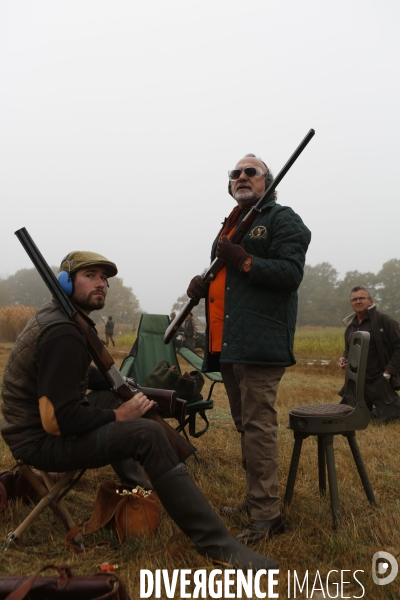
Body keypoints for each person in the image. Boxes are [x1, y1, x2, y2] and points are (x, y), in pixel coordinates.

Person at [0, 250, 277, 570]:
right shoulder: (63, 332)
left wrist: (113, 385)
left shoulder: (61, 319)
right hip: (40, 442)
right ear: (64, 282)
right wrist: (120, 415)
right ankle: (217, 544)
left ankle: (142, 488)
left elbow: (64, 378)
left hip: (36, 430)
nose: (101, 284)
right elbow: (58, 419)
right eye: (90, 276)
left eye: (104, 278)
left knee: (116, 398)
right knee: (146, 433)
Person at [187, 153, 311, 543]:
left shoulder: (281, 218)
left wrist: (244, 262)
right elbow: (226, 281)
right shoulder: (231, 224)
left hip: (259, 342)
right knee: (246, 425)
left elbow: (290, 274)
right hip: (228, 343)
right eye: (235, 173)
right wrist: (203, 286)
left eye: (250, 172)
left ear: (266, 182)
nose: (241, 176)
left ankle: (267, 514)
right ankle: (256, 498)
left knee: (258, 427)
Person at [339, 286, 400, 423]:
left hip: (379, 378)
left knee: (393, 417)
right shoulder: (351, 326)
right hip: (357, 381)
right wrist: (344, 357)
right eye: (354, 299)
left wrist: (388, 372)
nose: (358, 301)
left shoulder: (384, 321)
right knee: (347, 415)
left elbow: (398, 347)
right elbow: (348, 349)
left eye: (362, 298)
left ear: (371, 302)